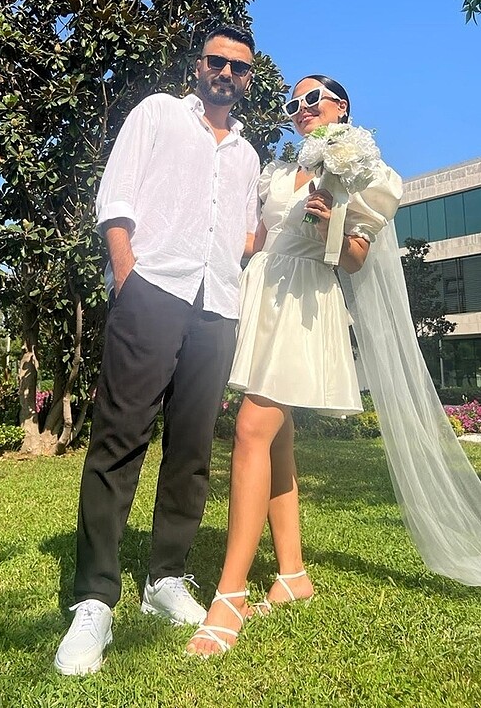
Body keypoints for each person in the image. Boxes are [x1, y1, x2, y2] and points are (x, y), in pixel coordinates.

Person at [188, 73, 481, 658]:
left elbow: (353, 260)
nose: (299, 109)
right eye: (292, 103)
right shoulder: (280, 171)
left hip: (303, 303)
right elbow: (257, 242)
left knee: (251, 429)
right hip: (261, 296)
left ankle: (231, 594)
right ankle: (293, 574)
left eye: (311, 100)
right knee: (276, 441)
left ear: (340, 107)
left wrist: (331, 222)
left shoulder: (366, 172)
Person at [54, 25, 262, 675]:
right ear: (198, 66)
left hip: (217, 306)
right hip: (154, 290)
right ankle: (95, 599)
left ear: (248, 79)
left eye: (239, 67)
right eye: (217, 60)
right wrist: (128, 276)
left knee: (192, 451)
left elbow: (244, 235)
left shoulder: (249, 157)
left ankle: (165, 578)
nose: (226, 72)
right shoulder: (158, 113)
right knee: (120, 440)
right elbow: (115, 196)